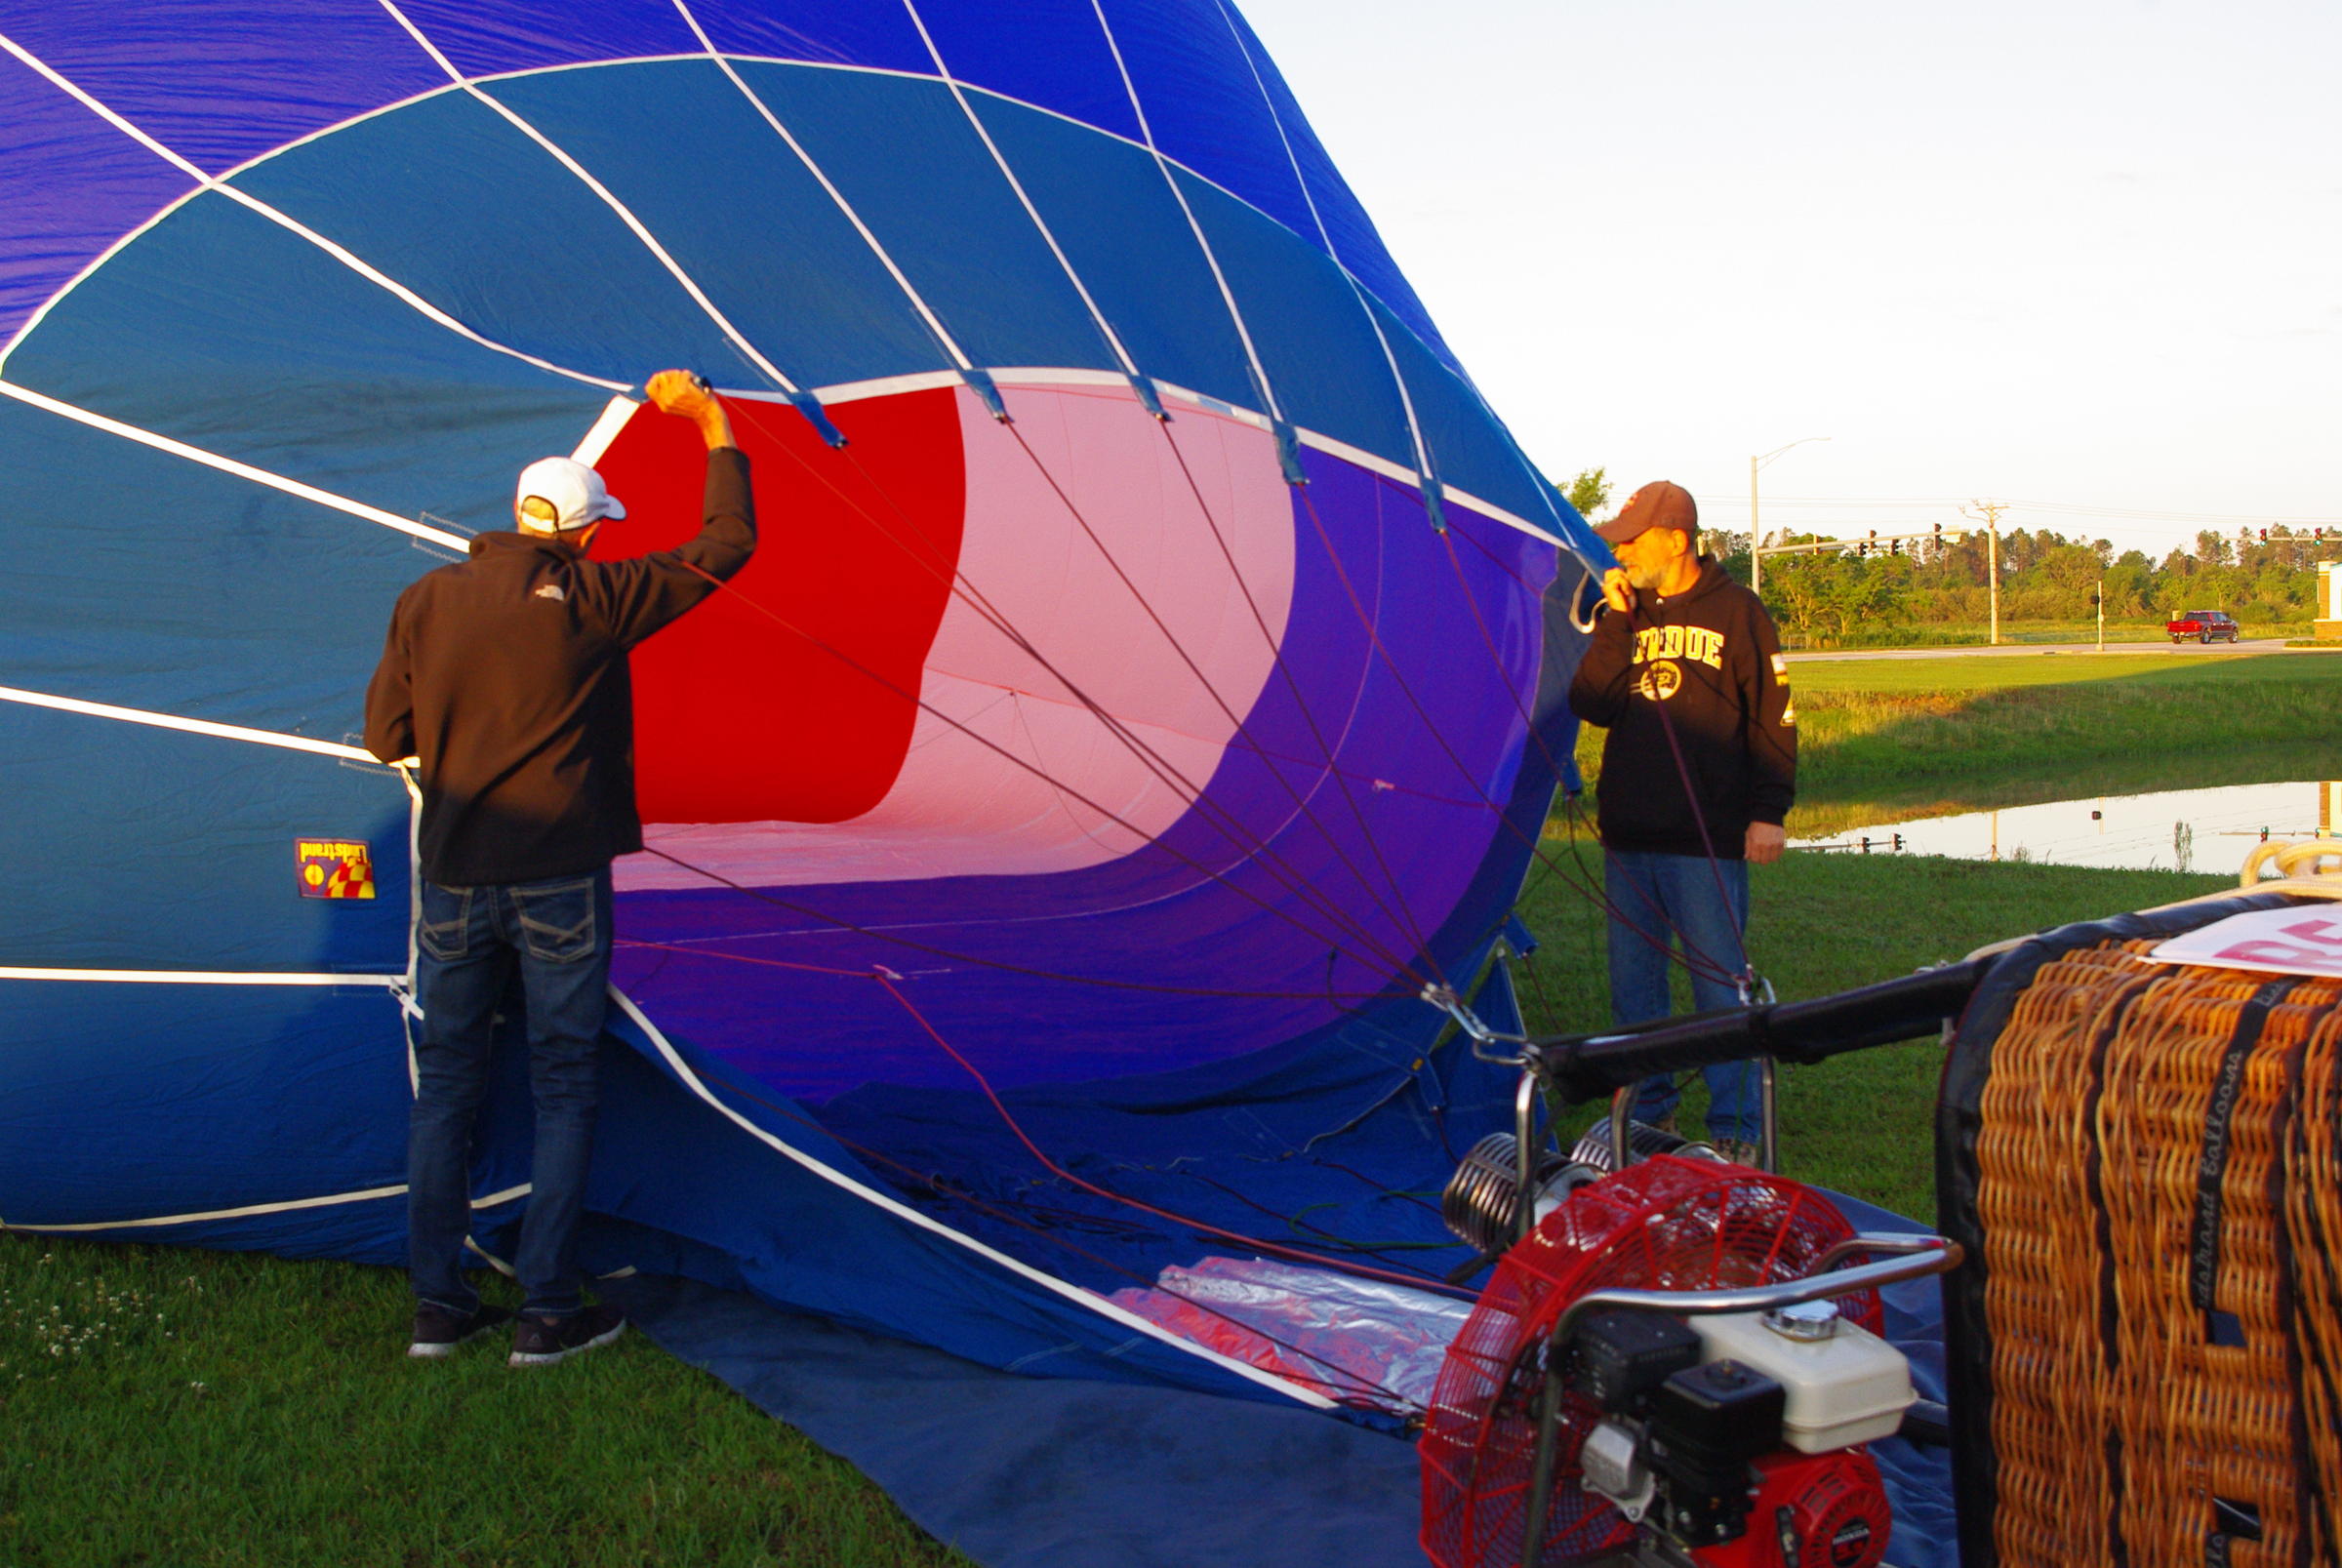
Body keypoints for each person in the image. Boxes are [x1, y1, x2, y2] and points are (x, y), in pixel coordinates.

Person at [365, 370, 754, 1365]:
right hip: (559, 881)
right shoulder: (592, 596)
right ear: (583, 533)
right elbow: (726, 547)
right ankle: (547, 1306)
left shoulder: (426, 597)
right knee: (564, 1079)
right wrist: (711, 426)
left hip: (453, 876)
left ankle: (437, 1308)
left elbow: (383, 736)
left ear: (517, 515)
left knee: (448, 1081)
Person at [1565, 480, 1795, 1166]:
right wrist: (1614, 619)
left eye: (1632, 540)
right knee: (1634, 986)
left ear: (1675, 537)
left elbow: (1774, 717)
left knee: (1718, 983)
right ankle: (1649, 1115)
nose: (1623, 552)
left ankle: (1735, 1128)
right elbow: (1590, 702)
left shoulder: (1738, 611)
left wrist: (1768, 813)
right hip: (1631, 835)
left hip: (1709, 839)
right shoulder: (1624, 614)